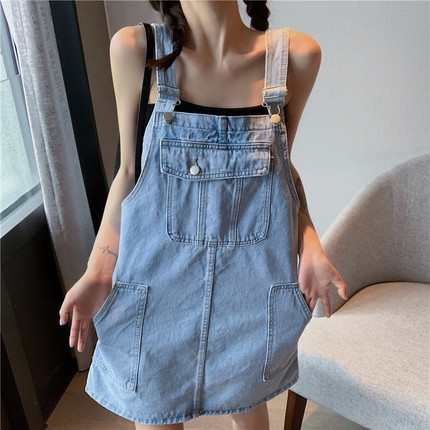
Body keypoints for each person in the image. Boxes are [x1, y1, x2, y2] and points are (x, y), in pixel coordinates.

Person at [59, 1, 348, 429]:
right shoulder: (136, 49)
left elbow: (281, 170)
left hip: (249, 291)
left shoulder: (296, 57)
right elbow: (129, 173)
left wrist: (311, 246)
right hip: (155, 287)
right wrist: (99, 269)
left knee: (250, 413)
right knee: (156, 412)